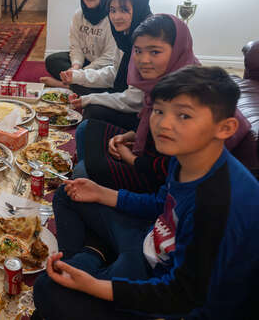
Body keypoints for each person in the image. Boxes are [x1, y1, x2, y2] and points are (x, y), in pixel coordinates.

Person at [32, 66, 259, 320]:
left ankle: (90, 263)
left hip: (163, 289)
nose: (163, 124)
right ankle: (87, 262)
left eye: (183, 116)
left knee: (47, 291)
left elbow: (182, 297)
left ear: (225, 128)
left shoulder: (219, 204)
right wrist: (102, 193)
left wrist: (93, 286)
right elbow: (161, 204)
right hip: (148, 239)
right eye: (159, 111)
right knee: (70, 192)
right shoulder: (186, 156)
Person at [75, 14, 250, 194]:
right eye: (138, 51)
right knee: (86, 128)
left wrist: (131, 158)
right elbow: (151, 126)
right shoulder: (164, 80)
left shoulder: (191, 92)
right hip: (148, 150)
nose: (143, 60)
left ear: (177, 50)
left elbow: (170, 167)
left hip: (159, 181)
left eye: (155, 52)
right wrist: (132, 136)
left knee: (83, 170)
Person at [62, 0, 152, 131]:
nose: (116, 17)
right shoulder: (124, 38)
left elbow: (136, 100)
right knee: (77, 84)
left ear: (139, 10)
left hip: (144, 114)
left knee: (93, 111)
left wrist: (91, 98)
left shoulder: (145, 46)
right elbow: (114, 74)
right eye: (112, 10)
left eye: (124, 10)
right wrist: (78, 75)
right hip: (122, 93)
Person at [41, 0, 116, 94]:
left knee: (112, 82)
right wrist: (75, 66)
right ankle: (75, 84)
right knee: (53, 60)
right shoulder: (79, 14)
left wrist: (80, 74)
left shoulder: (113, 18)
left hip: (104, 67)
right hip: (86, 61)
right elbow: (75, 46)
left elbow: (109, 57)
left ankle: (64, 85)